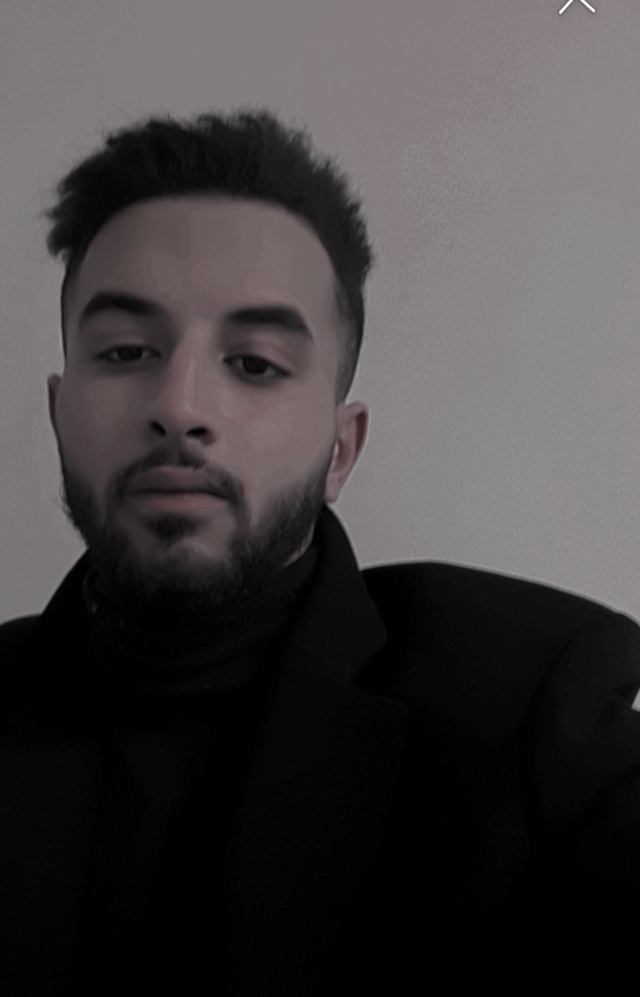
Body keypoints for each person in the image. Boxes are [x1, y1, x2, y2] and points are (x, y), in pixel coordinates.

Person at [1, 108, 640, 995]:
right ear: (59, 413)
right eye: (127, 350)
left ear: (341, 449)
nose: (180, 405)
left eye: (255, 363)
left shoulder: (528, 715)